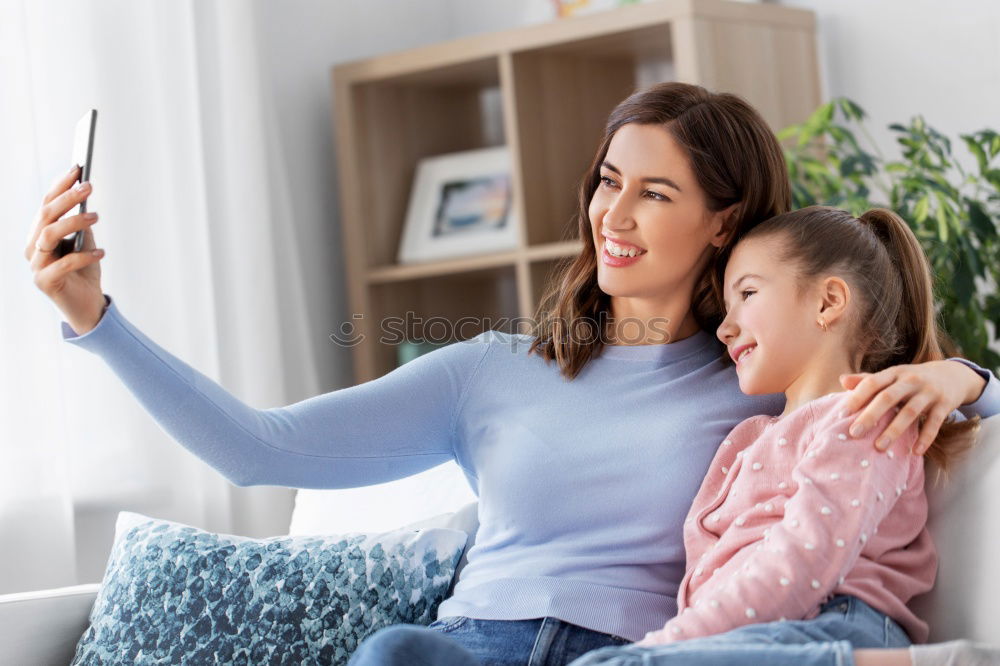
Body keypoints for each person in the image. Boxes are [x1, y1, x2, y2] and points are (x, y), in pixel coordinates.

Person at [25, 83, 999, 666]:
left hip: (632, 657)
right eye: (607, 181)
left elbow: (861, 351)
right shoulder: (489, 373)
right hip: (468, 647)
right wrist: (96, 321)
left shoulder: (755, 382)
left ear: (723, 222)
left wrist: (965, 376)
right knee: (395, 655)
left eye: (655, 192)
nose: (612, 215)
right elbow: (253, 450)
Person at [564, 206, 1000, 666]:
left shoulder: (866, 414)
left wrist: (667, 646)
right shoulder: (748, 436)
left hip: (828, 625)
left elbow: (803, 563)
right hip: (751, 633)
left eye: (747, 293)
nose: (724, 326)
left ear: (828, 302)